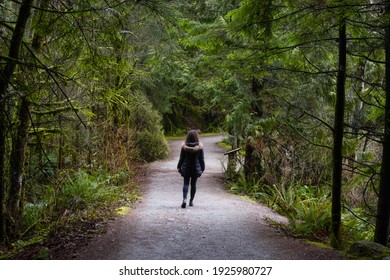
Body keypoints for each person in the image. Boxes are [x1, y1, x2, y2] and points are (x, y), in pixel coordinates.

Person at [177, 130, 205, 208]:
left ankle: (184, 199)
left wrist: (179, 167)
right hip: (195, 169)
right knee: (193, 185)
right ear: (196, 137)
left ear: (188, 137)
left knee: (186, 183)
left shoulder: (184, 147)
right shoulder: (199, 147)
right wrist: (202, 168)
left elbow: (181, 158)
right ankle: (191, 201)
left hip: (186, 168)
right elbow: (202, 159)